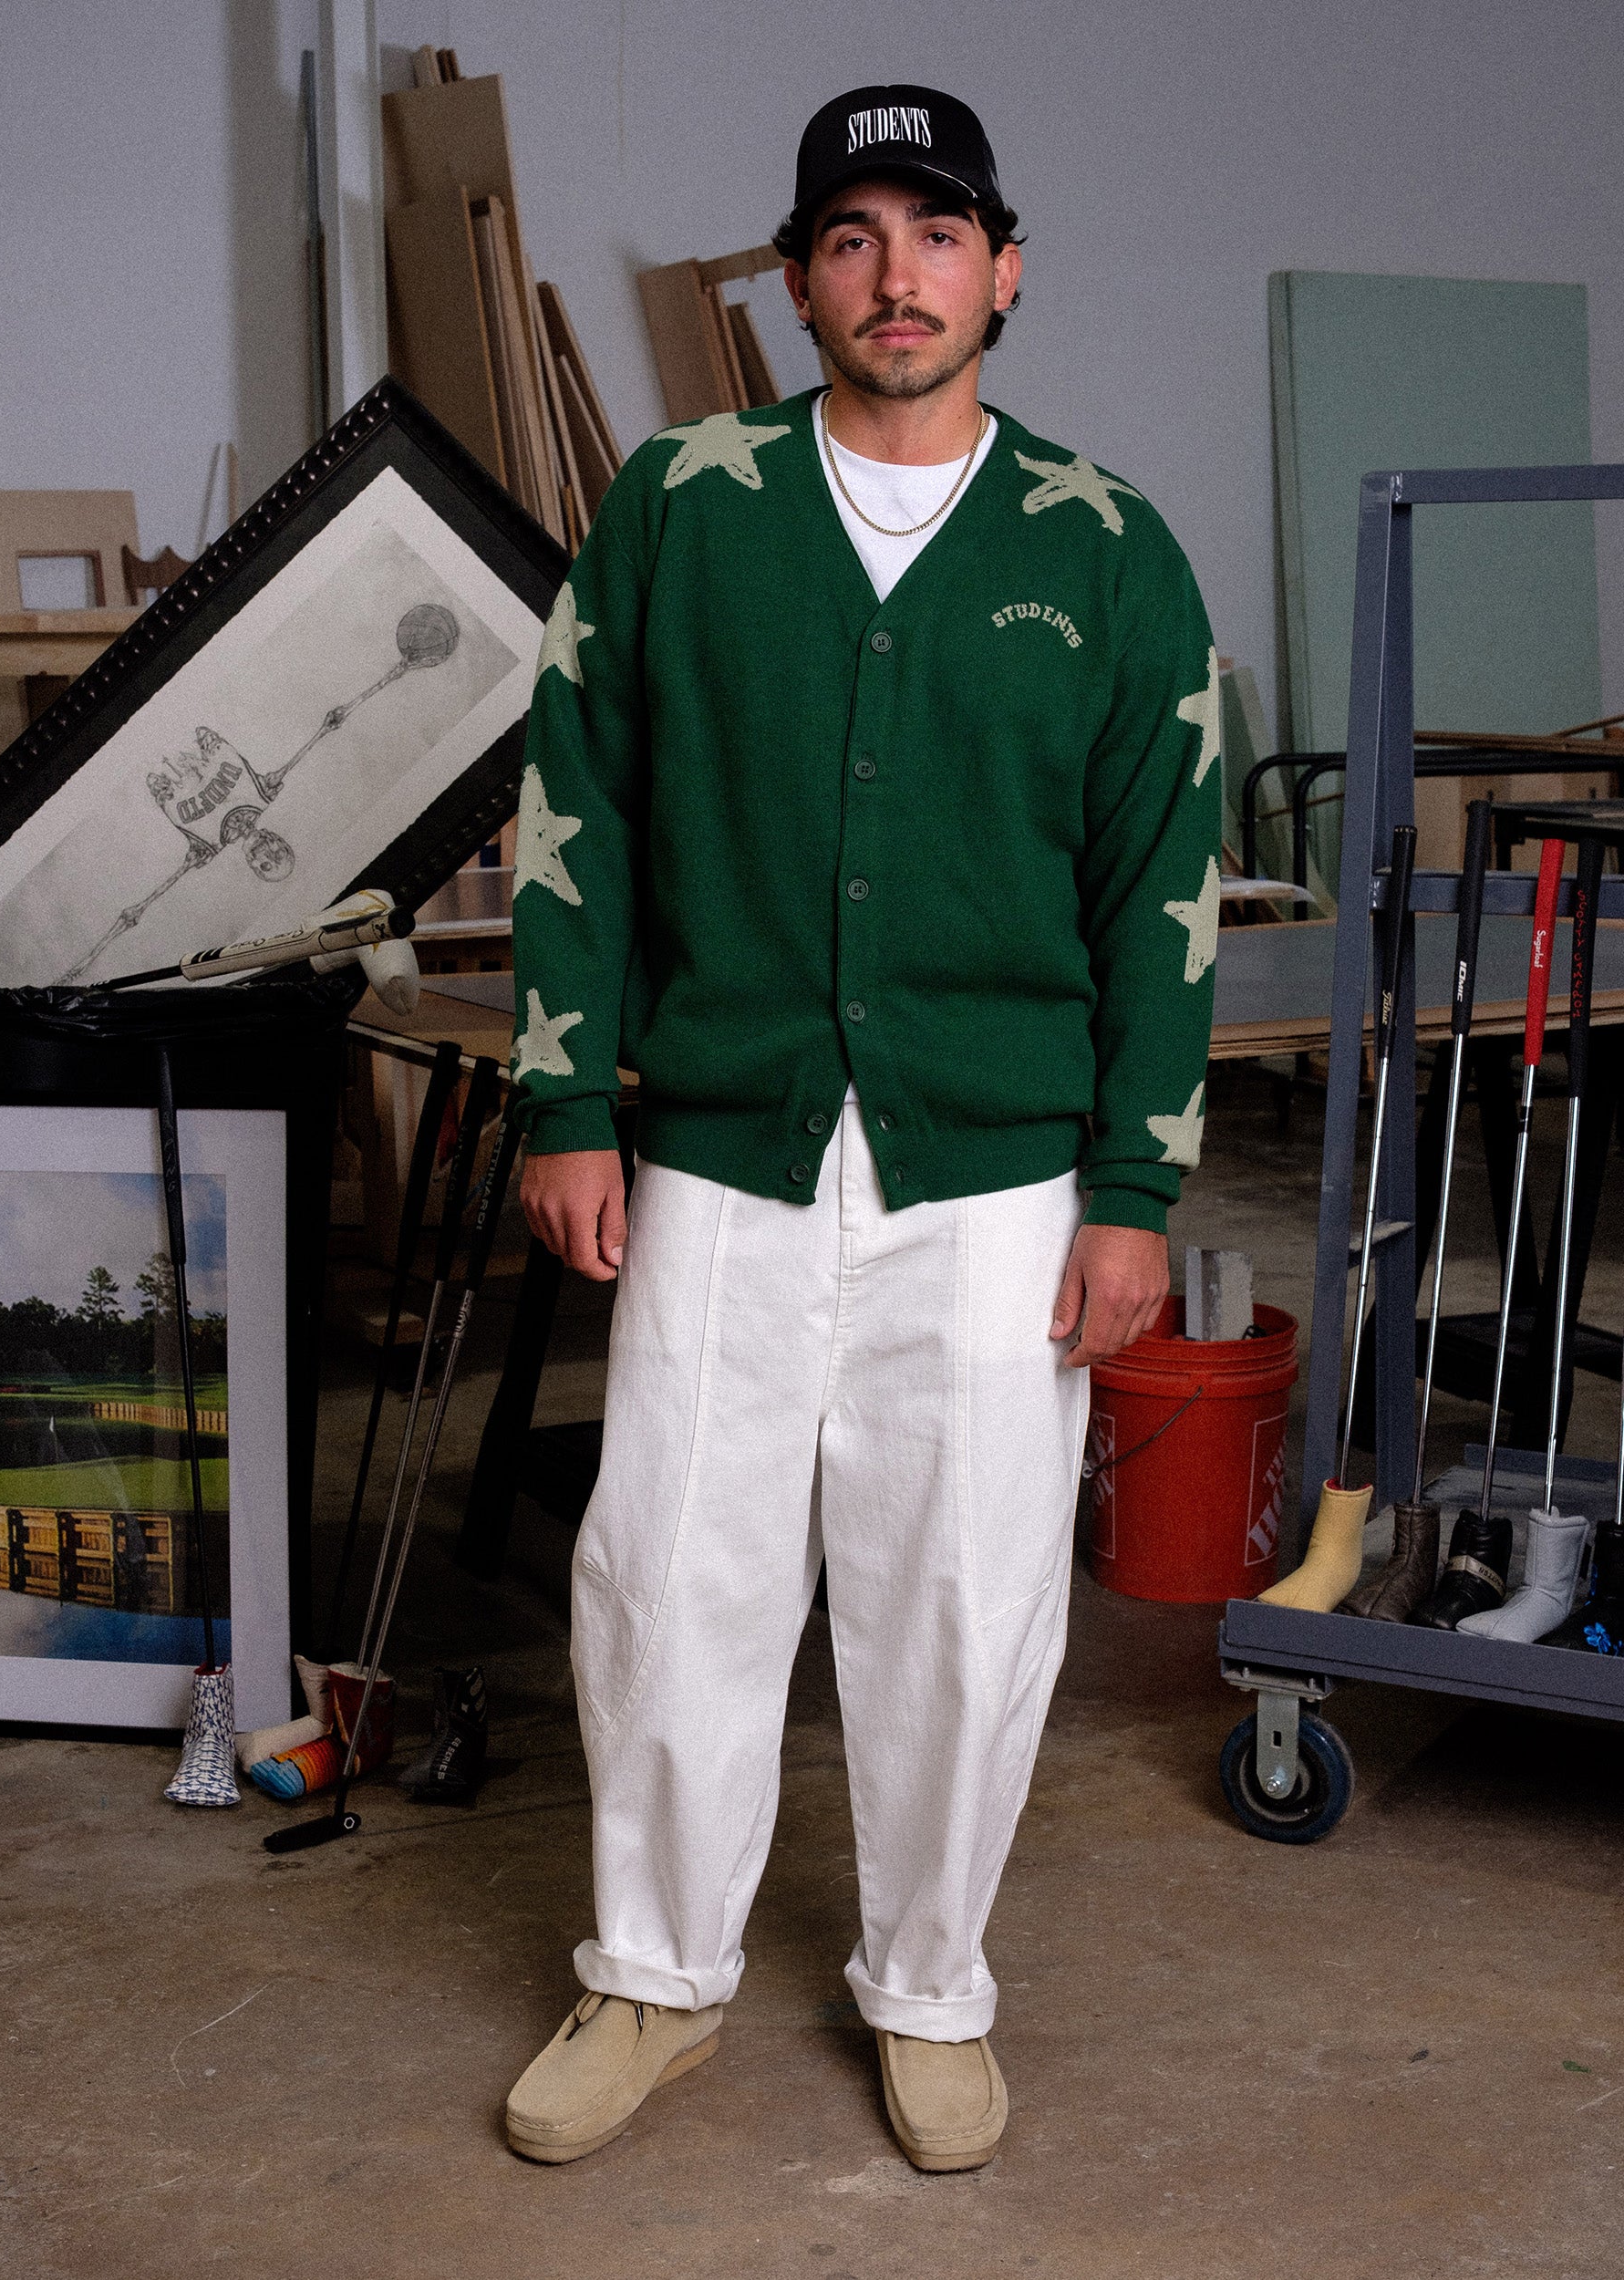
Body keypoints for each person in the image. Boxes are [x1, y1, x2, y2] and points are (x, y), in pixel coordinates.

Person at [504, 83, 1219, 2172]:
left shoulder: (1103, 546)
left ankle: (927, 1985)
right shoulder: (685, 505)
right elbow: (574, 806)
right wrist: (562, 1096)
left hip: (996, 1178)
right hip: (721, 1151)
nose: (894, 275)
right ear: (802, 281)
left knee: (967, 1598)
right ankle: (652, 1974)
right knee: (668, 1574)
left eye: (936, 234)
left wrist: (1134, 1189)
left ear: (1004, 271)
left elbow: (1161, 891)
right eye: (849, 237)